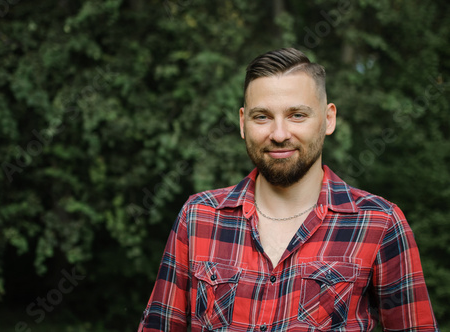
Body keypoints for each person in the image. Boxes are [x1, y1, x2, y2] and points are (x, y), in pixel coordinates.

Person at [138, 48, 439, 331]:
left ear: (328, 119)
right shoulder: (198, 217)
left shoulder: (380, 223)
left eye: (297, 115)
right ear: (243, 123)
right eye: (262, 117)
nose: (279, 134)